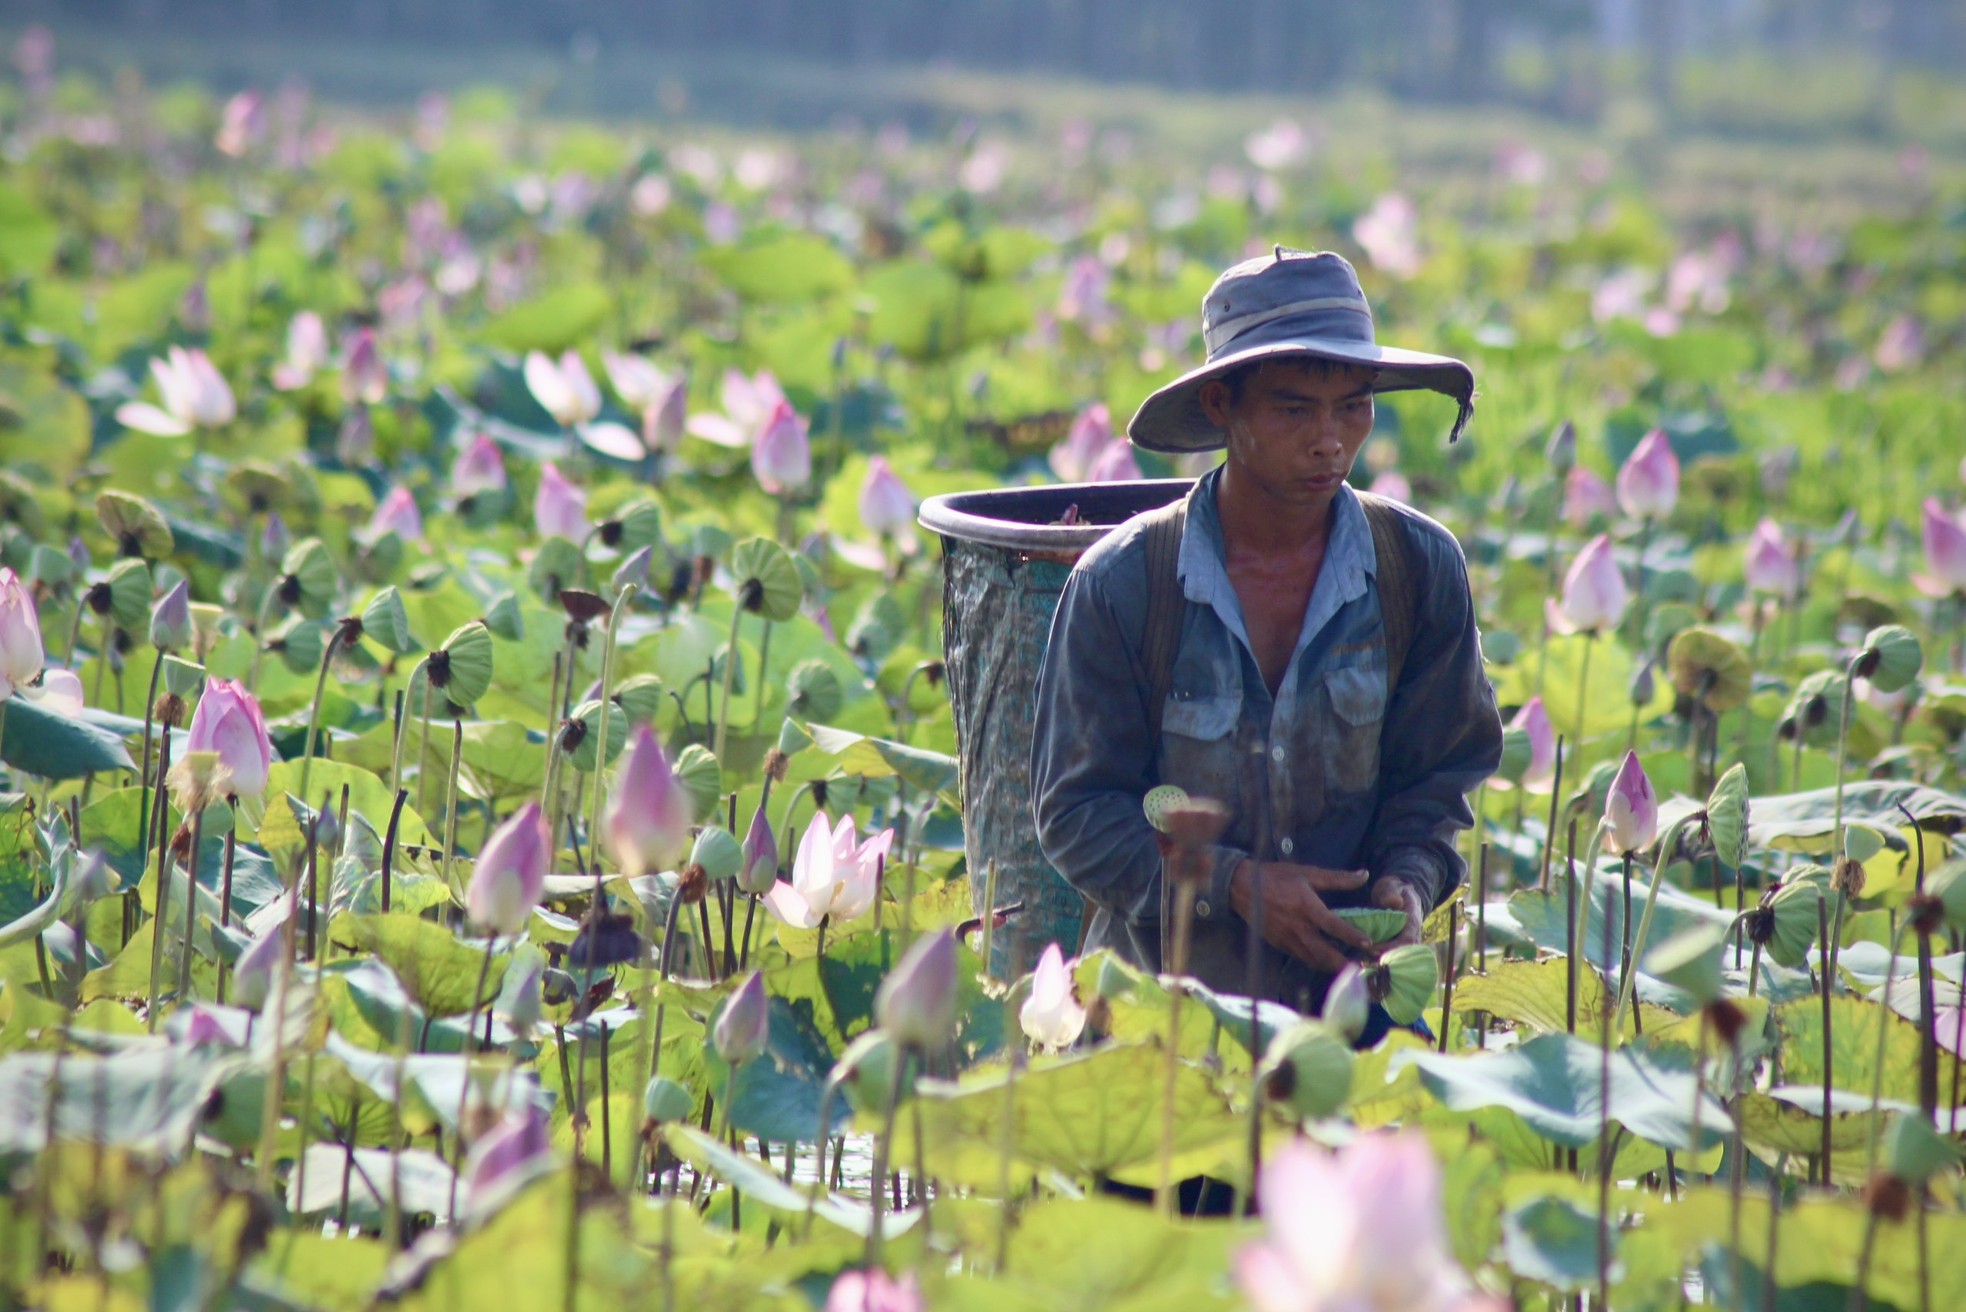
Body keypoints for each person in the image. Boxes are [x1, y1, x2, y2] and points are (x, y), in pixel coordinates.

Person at [1031, 247, 1502, 1022]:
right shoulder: (1122, 583)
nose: (1330, 441)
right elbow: (1075, 817)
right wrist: (1234, 886)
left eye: (1354, 406)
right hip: (1162, 1027)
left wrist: (1408, 879)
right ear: (1221, 405)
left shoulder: (1419, 568)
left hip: (1354, 1023)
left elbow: (1439, 779)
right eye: (1294, 410)